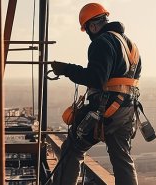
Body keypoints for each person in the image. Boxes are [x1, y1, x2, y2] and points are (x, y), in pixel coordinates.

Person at [51, 3, 141, 185]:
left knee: (73, 149)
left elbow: (96, 78)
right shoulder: (131, 45)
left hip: (105, 109)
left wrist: (67, 69)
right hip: (126, 109)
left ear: (92, 26)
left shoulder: (102, 42)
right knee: (122, 159)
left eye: (88, 31)